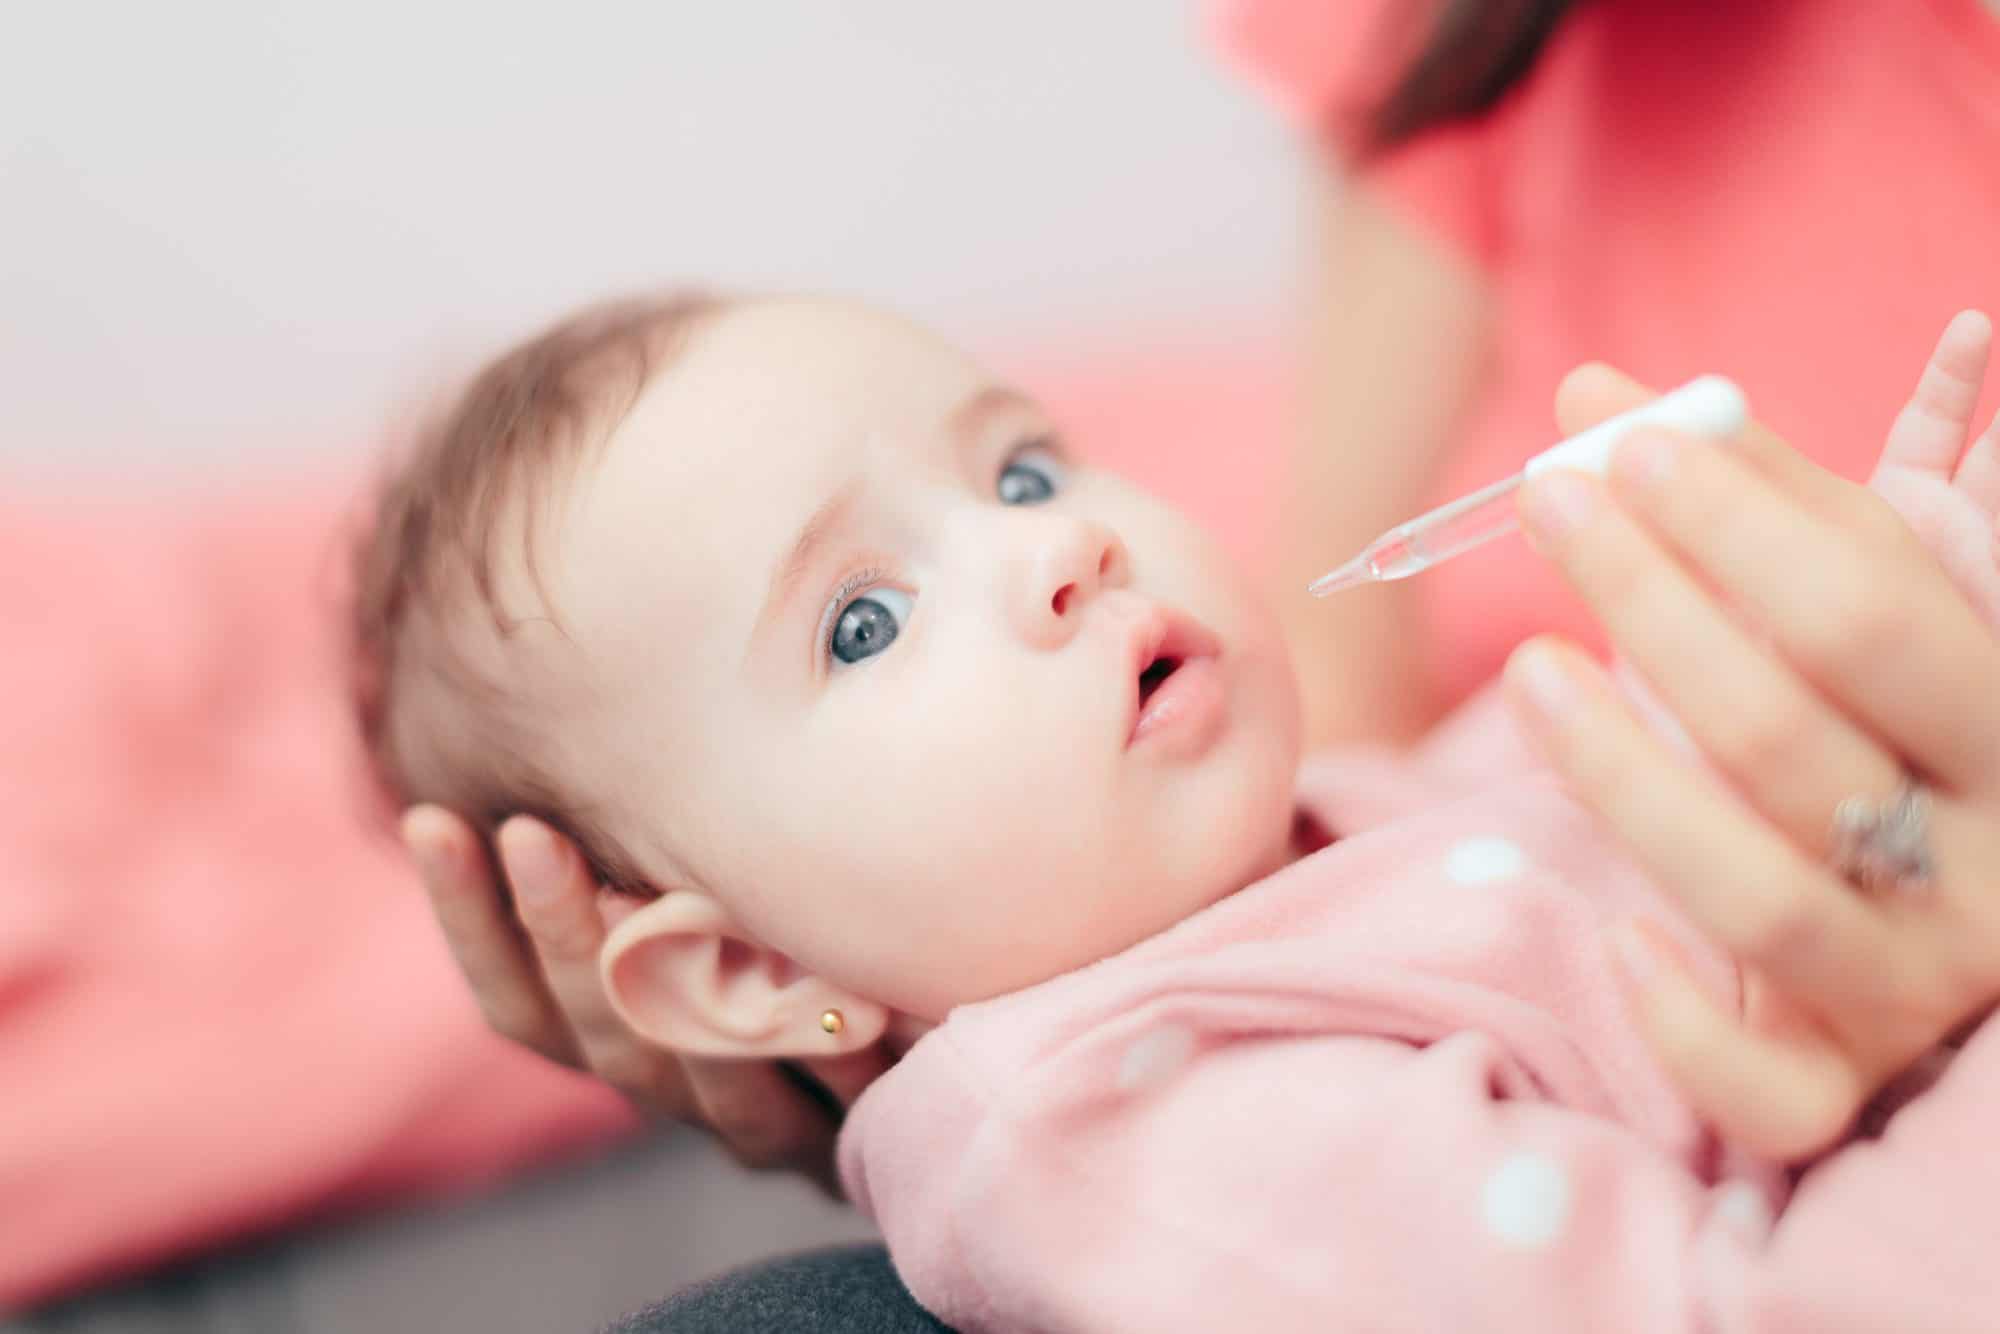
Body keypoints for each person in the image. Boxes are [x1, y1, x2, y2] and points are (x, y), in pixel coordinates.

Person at [402, 0, 2000, 1323]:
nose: (1059, 546)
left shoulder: (1351, 816)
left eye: (1019, 470)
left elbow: (1730, 835)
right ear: (752, 971)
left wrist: (1910, 591)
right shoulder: (1140, 1129)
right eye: (861, 623)